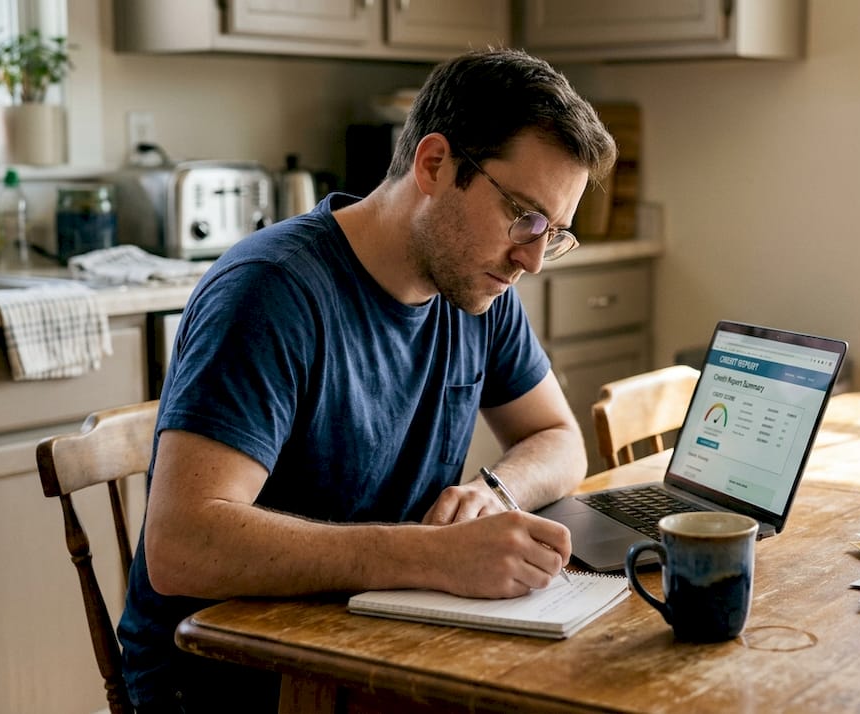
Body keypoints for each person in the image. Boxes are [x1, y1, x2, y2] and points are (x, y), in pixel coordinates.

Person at [117, 47, 618, 713]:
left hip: (374, 644)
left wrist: (494, 492)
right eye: (523, 216)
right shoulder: (272, 294)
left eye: (552, 233)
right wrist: (433, 556)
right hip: (229, 679)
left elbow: (558, 437)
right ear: (436, 165)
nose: (531, 259)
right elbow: (182, 547)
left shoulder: (477, 286)